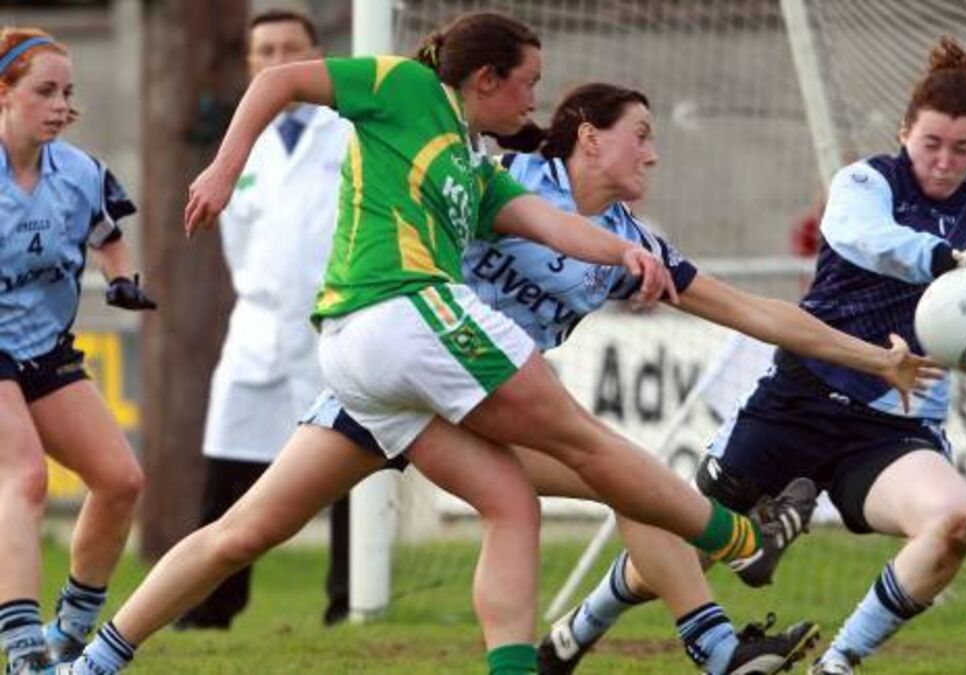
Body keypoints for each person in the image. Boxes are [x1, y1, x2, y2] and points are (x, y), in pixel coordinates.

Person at [60, 13, 825, 675]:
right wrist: (225, 170)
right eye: (528, 83)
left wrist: (624, 252)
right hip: (405, 317)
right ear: (486, 78)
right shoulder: (404, 85)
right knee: (592, 445)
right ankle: (742, 541)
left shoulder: (473, 166)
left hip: (367, 362)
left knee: (496, 504)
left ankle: (91, 662)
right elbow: (278, 81)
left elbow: (554, 226)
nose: (535, 102)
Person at [548, 36, 966, 675]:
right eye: (930, 143)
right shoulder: (865, 183)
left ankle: (838, 663)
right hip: (797, 401)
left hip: (893, 425)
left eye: (962, 148)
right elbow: (866, 240)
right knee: (688, 547)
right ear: (904, 133)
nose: (943, 162)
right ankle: (576, 632)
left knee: (956, 520)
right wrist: (960, 263)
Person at [175, 8, 355, 632]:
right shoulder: (238, 143)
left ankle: (349, 603)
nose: (279, 62)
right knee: (229, 471)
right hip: (256, 330)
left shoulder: (349, 133)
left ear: (316, 56)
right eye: (266, 51)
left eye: (292, 49)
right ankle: (208, 609)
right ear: (251, 64)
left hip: (337, 329)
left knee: (350, 471)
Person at [0, 27, 155, 674]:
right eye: (45, 91)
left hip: (43, 346)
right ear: (3, 94)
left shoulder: (78, 172)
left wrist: (121, 279)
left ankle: (68, 632)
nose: (62, 105)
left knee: (121, 481)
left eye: (67, 92)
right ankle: (24, 652)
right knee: (25, 476)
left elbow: (107, 234)